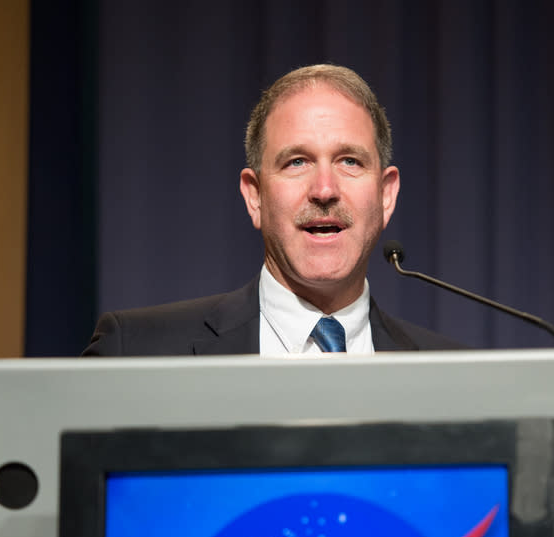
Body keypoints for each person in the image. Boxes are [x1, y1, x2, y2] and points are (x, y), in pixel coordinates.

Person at [83, 64, 460, 357]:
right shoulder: (137, 350)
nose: (324, 190)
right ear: (255, 196)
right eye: (297, 162)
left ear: (385, 195)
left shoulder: (458, 377)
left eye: (349, 161)